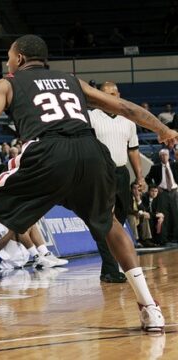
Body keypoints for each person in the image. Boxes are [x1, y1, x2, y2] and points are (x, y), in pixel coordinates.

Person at [0, 34, 176, 335]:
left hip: (47, 151)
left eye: (10, 57)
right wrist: (162, 128)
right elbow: (123, 107)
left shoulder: (8, 83)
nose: (9, 62)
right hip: (91, 151)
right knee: (111, 223)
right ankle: (149, 308)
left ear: (20, 59)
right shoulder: (71, 80)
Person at [89, 81, 145, 283]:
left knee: (119, 221)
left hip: (122, 173)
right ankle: (112, 270)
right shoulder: (92, 117)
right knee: (106, 221)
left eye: (113, 94)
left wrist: (139, 177)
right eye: (106, 94)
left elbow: (134, 150)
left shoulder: (128, 119)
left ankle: (107, 269)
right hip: (101, 172)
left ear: (119, 94)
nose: (111, 97)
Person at [0, 223, 68, 270]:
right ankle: (37, 257)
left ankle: (46, 254)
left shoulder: (6, 219)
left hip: (17, 256)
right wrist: (12, 230)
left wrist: (13, 229)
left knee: (29, 222)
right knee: (19, 226)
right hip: (3, 261)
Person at [146, 148, 178, 244]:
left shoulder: (175, 165)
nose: (164, 157)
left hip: (175, 191)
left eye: (166, 155)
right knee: (164, 215)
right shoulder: (155, 167)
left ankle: (175, 237)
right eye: (162, 155)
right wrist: (155, 187)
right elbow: (147, 178)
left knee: (175, 214)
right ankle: (165, 238)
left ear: (169, 156)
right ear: (160, 157)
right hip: (162, 192)